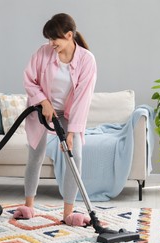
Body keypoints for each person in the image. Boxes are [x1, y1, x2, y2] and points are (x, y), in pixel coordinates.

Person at [13, 13, 97, 226]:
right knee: (35, 155)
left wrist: (71, 132)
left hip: (69, 115)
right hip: (41, 110)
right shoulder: (43, 53)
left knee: (74, 156)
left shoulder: (87, 60)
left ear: (69, 35)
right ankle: (28, 206)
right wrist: (43, 102)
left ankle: (68, 212)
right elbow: (29, 80)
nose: (51, 44)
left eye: (55, 40)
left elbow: (82, 99)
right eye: (49, 39)